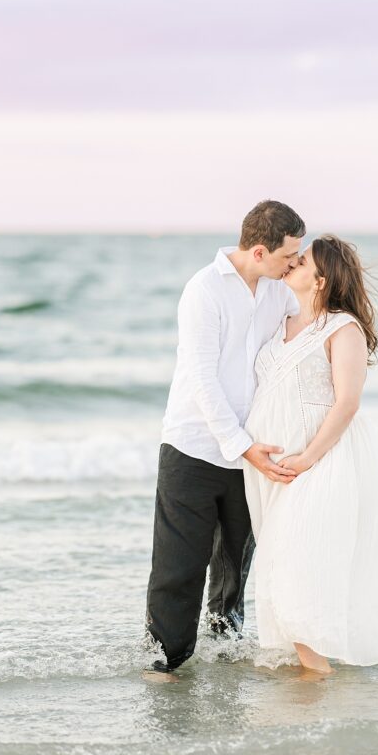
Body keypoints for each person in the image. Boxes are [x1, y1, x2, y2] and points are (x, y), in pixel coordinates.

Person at [144, 199, 306, 680]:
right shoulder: (203, 290)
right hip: (192, 446)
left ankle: (223, 650)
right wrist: (239, 444)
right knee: (180, 562)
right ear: (259, 251)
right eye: (288, 255)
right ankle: (166, 659)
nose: (294, 263)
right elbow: (202, 379)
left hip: (255, 449)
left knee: (235, 560)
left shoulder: (280, 293)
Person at [242, 234, 378, 674]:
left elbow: (347, 403)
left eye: (301, 262)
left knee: (296, 570)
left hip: (325, 462)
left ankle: (318, 685)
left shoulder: (344, 328)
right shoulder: (279, 323)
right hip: (274, 469)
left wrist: (308, 458)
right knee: (287, 569)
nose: (292, 265)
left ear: (320, 280)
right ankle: (320, 680)